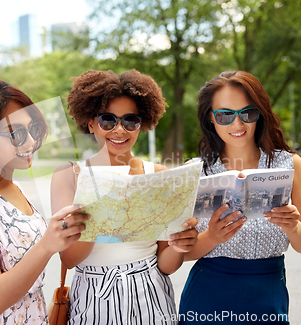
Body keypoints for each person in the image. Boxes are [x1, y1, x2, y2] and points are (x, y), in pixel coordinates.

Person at [50, 69, 198, 325]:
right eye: (108, 120)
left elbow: (167, 265)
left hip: (151, 296)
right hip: (94, 297)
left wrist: (179, 245)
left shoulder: (159, 175)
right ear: (90, 122)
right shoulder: (69, 175)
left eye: (130, 121)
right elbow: (70, 258)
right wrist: (105, 204)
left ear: (142, 125)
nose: (119, 129)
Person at [0, 80, 89, 324]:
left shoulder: (12, 185)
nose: (30, 141)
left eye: (33, 129)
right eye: (16, 133)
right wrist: (47, 245)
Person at [179, 71, 301, 324]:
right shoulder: (195, 171)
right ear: (211, 118)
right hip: (206, 298)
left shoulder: (290, 164)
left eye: (247, 113)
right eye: (225, 115)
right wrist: (211, 237)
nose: (237, 124)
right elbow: (180, 253)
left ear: (260, 113)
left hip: (267, 296)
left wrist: (293, 226)